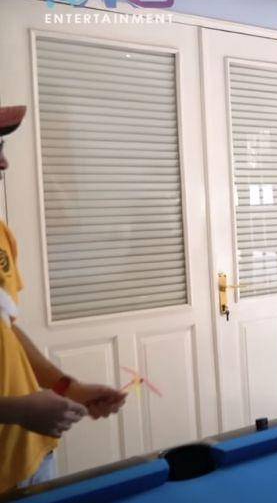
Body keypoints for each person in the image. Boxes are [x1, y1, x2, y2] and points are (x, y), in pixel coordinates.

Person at [0, 105, 127, 493]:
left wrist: (67, 388)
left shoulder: (1, 235)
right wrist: (15, 410)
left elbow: (7, 330)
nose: (4, 163)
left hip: (32, 456)